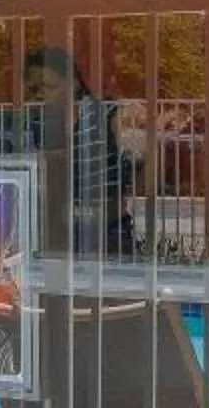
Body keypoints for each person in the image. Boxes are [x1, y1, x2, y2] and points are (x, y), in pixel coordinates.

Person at [23, 44, 132, 257]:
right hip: (54, 231)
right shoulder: (34, 123)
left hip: (107, 229)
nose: (40, 95)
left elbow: (138, 161)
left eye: (49, 86)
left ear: (73, 83)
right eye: (34, 89)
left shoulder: (106, 114)